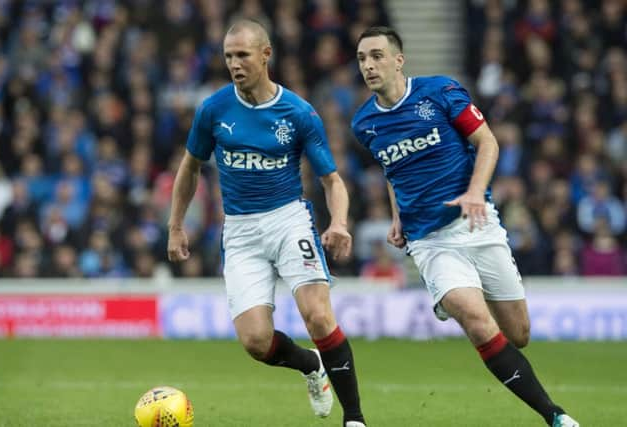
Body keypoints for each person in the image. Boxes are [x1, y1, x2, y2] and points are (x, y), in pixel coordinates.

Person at [351, 26, 579, 427]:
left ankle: (490, 324)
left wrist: (476, 192)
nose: (368, 65)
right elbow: (393, 169)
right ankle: (556, 416)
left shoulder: (440, 91)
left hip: (477, 223)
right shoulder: (364, 123)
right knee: (474, 318)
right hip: (429, 240)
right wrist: (397, 214)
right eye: (362, 58)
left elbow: (487, 142)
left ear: (398, 60)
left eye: (376, 56)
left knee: (519, 333)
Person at [167, 20, 366, 427]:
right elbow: (189, 168)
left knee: (318, 316)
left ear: (265, 54)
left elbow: (331, 180)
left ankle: (355, 419)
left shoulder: (298, 113)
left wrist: (340, 222)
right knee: (256, 342)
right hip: (240, 230)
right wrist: (175, 225)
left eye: (242, 55)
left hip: (288, 220)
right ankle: (311, 366)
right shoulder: (213, 109)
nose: (234, 64)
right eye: (228, 56)